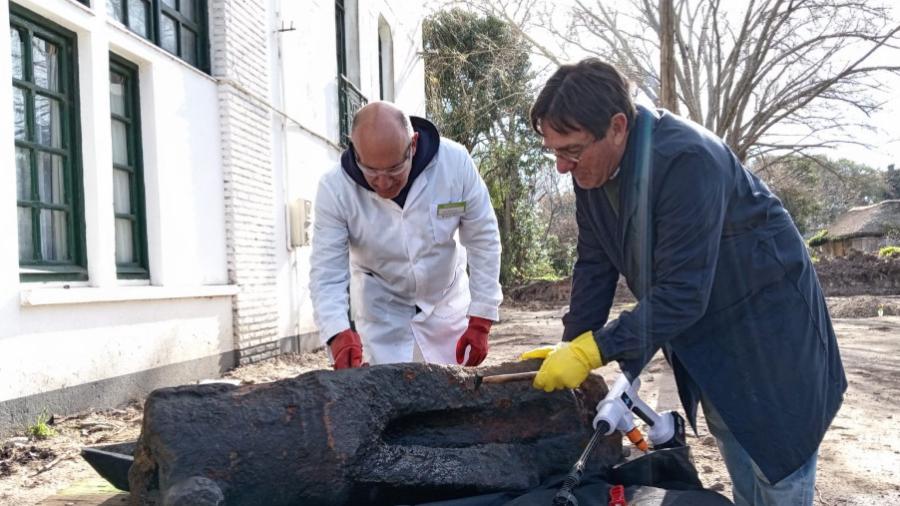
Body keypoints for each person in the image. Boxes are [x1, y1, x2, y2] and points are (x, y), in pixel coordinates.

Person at [520, 58, 846, 506]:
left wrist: (593, 349)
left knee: (778, 469)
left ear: (617, 126)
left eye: (571, 150)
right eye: (553, 151)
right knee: (738, 447)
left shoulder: (687, 159)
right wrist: (571, 342)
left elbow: (683, 291)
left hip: (771, 336)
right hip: (711, 338)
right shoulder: (590, 173)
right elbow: (594, 265)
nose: (561, 166)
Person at [309, 101, 502, 369]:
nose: (384, 183)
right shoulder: (335, 189)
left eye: (393, 170)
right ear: (355, 151)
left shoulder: (454, 164)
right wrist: (337, 332)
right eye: (372, 172)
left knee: (454, 400)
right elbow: (327, 272)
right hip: (382, 315)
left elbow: (484, 239)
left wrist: (481, 317)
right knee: (386, 402)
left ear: (413, 145)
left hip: (446, 304)